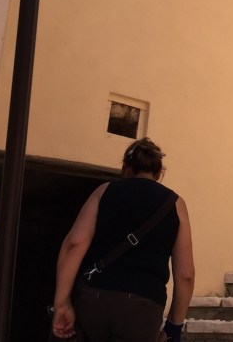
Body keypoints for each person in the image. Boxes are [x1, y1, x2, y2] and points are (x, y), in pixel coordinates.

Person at [51, 138, 195, 342]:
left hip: (95, 299)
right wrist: (173, 327)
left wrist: (62, 304)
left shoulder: (104, 191)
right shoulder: (176, 204)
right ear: (159, 173)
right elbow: (185, 274)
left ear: (126, 169)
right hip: (143, 306)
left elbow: (75, 243)